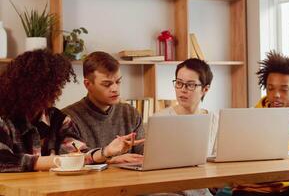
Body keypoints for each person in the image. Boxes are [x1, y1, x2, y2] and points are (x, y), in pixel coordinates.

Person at [0, 50, 136, 172]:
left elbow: (78, 154)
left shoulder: (58, 119)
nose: (56, 93)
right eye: (50, 88)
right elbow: (3, 161)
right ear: (28, 88)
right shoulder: (4, 120)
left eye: (57, 86)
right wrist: (53, 161)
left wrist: (106, 152)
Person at [232, 51, 289, 196]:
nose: (276, 95)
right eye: (271, 88)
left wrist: (279, 148)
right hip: (254, 187)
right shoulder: (256, 112)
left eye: (284, 89)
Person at [63, 51, 144, 164]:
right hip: (88, 181)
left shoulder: (130, 113)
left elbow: (144, 153)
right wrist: (110, 160)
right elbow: (71, 160)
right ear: (88, 85)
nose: (115, 88)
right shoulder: (68, 118)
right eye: (107, 84)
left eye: (118, 81)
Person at [156, 58, 216, 196]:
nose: (182, 90)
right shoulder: (160, 119)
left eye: (190, 85)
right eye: (179, 83)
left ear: (205, 89)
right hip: (168, 190)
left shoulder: (215, 121)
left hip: (203, 189)